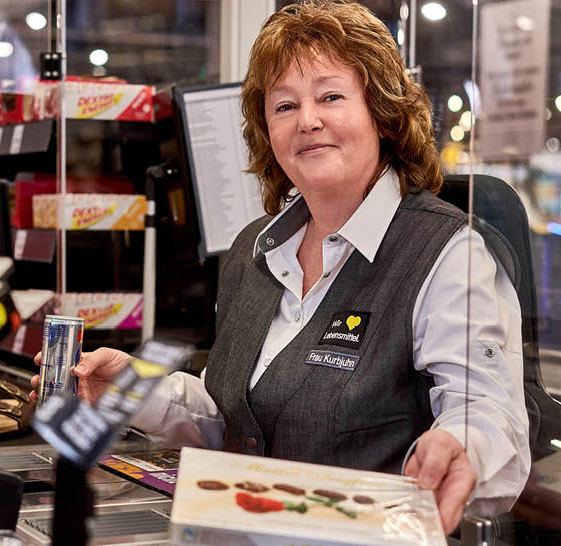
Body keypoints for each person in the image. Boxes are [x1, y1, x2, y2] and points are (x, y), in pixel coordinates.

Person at [32, 0, 529, 534]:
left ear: (382, 113)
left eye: (331, 97)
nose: (308, 121)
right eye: (285, 105)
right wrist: (129, 388)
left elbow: (486, 410)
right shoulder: (255, 250)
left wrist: (458, 445)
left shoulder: (447, 252)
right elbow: (232, 418)